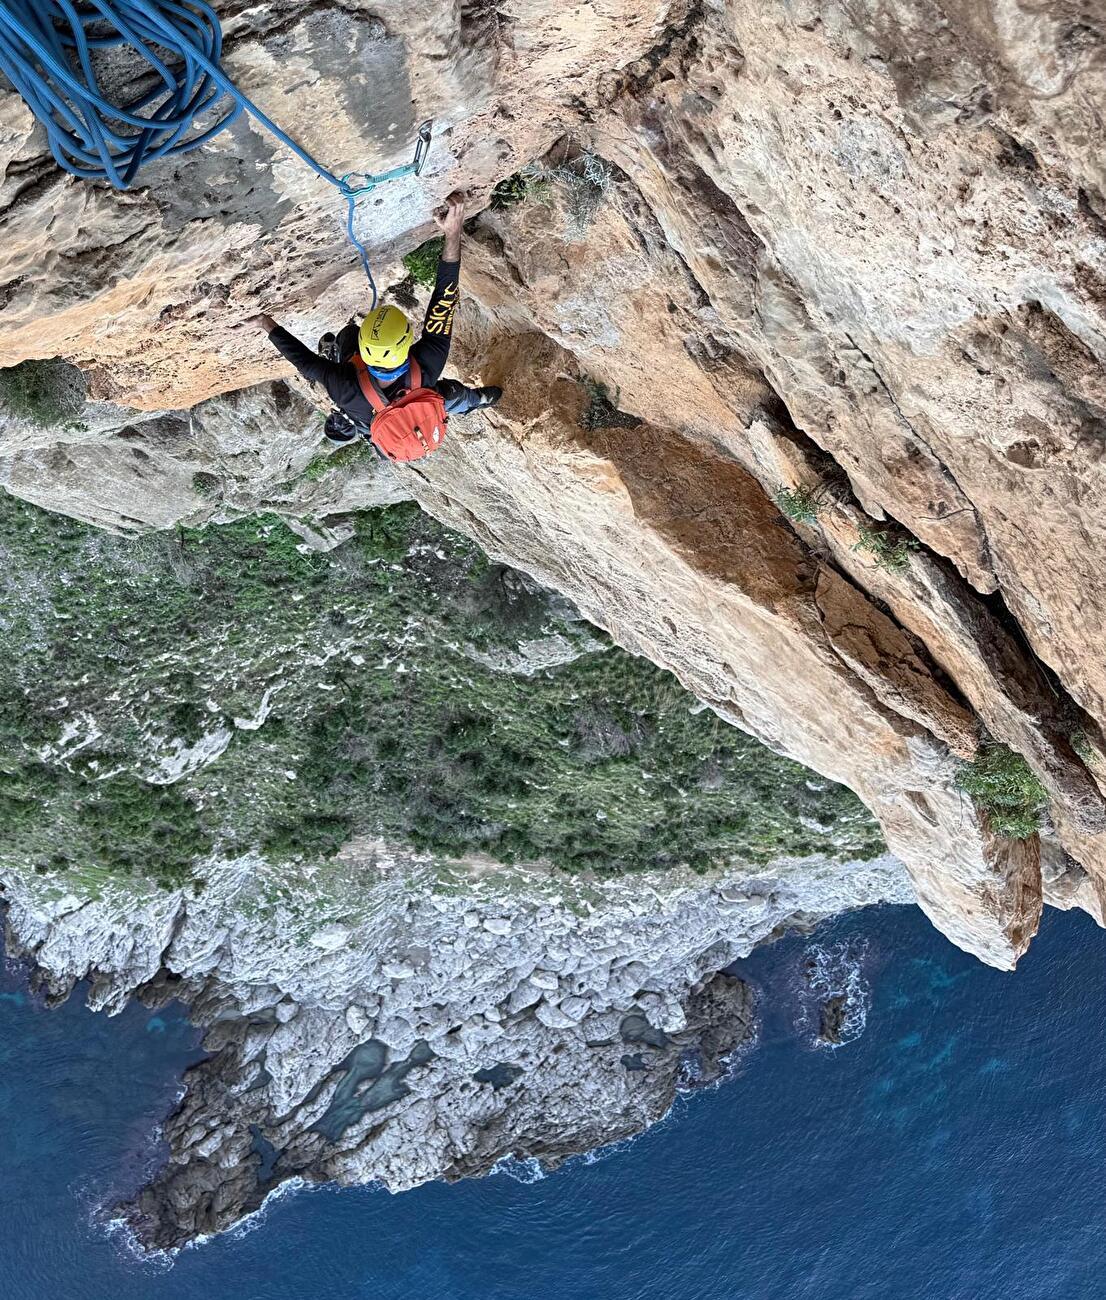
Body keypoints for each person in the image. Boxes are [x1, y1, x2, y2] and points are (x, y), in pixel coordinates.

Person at [247, 191, 501, 449]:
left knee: (348, 335)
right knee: (449, 396)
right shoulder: (420, 364)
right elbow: (444, 299)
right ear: (405, 342)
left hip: (394, 416)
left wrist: (265, 324)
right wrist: (452, 232)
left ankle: (476, 400)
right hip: (389, 410)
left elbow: (306, 364)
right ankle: (479, 399)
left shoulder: (349, 386)